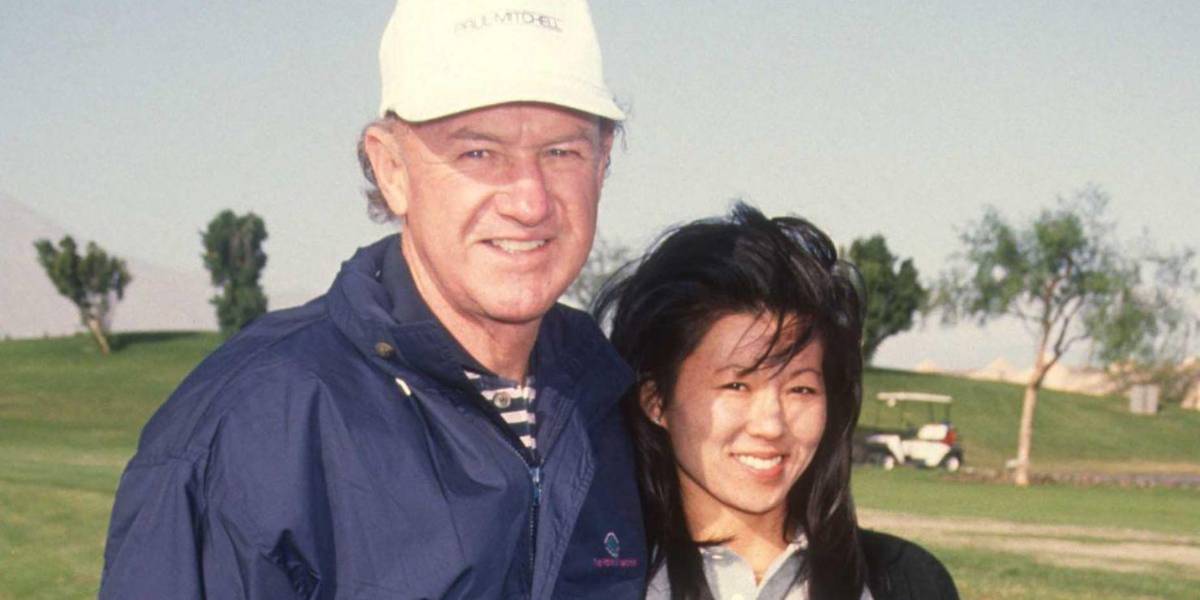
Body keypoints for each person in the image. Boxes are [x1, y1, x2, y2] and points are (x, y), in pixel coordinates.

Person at [99, 1, 645, 598]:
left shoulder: (615, 405)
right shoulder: (254, 425)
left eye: (562, 152)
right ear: (391, 169)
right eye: (478, 153)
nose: (529, 201)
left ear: (603, 163)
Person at [595, 203, 958, 599]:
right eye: (736, 385)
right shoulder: (596, 578)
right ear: (656, 401)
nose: (771, 425)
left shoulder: (905, 581)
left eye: (801, 389)